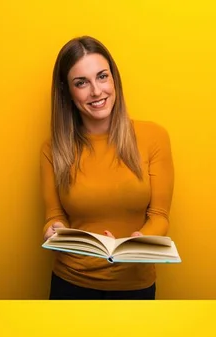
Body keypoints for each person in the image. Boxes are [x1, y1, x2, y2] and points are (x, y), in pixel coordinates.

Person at [41, 36, 174, 300]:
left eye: (102, 77)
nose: (96, 91)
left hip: (135, 284)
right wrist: (52, 229)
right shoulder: (52, 148)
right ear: (67, 91)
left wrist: (136, 240)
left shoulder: (154, 137)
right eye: (81, 83)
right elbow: (54, 215)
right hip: (70, 283)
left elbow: (160, 216)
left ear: (114, 79)